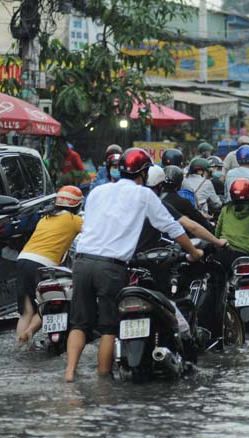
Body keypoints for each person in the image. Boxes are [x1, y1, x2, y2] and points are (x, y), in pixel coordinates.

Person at [64, 148, 203, 382]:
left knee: (79, 323)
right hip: (111, 267)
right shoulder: (144, 195)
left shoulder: (98, 191)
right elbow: (172, 226)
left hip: (82, 262)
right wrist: (193, 251)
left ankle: (69, 374)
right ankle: (104, 376)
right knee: (109, 327)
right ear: (145, 172)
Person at [15, 186, 84, 343]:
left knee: (26, 311)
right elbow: (95, 234)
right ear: (76, 205)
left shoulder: (45, 217)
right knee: (48, 303)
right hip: (43, 265)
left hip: (23, 260)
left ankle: (20, 343)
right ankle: (30, 331)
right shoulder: (74, 220)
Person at [137, 166, 227, 251]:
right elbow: (194, 226)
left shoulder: (137, 199)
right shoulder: (164, 203)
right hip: (161, 250)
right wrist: (217, 241)